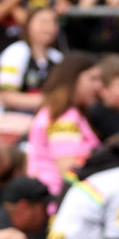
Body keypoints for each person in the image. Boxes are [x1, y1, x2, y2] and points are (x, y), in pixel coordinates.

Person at [26, 52, 102, 198]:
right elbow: (68, 170)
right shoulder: (64, 117)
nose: (98, 86)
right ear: (73, 78)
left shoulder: (65, 112)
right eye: (92, 78)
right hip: (57, 200)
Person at [0, 6, 62, 114]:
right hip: (15, 118)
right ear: (28, 25)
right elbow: (5, 96)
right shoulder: (16, 52)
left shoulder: (57, 57)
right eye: (43, 22)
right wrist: (49, 100)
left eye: (54, 22)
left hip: (48, 117)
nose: (49, 27)